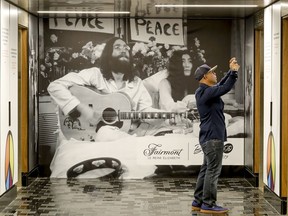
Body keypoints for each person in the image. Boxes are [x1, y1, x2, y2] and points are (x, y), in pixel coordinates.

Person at [47, 37, 186, 142]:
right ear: (108, 55)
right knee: (107, 133)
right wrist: (84, 109)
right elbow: (54, 86)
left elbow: (144, 111)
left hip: (121, 136)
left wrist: (169, 113)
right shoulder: (95, 74)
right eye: (118, 47)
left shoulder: (136, 83)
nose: (124, 50)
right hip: (86, 134)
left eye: (126, 48)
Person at [191, 57, 240, 214]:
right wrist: (233, 72)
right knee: (213, 171)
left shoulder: (205, 91)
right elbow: (224, 88)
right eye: (212, 72)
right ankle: (208, 204)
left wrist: (230, 73)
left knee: (206, 170)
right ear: (205, 76)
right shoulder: (205, 92)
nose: (215, 74)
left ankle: (198, 202)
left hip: (209, 137)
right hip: (213, 138)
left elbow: (220, 85)